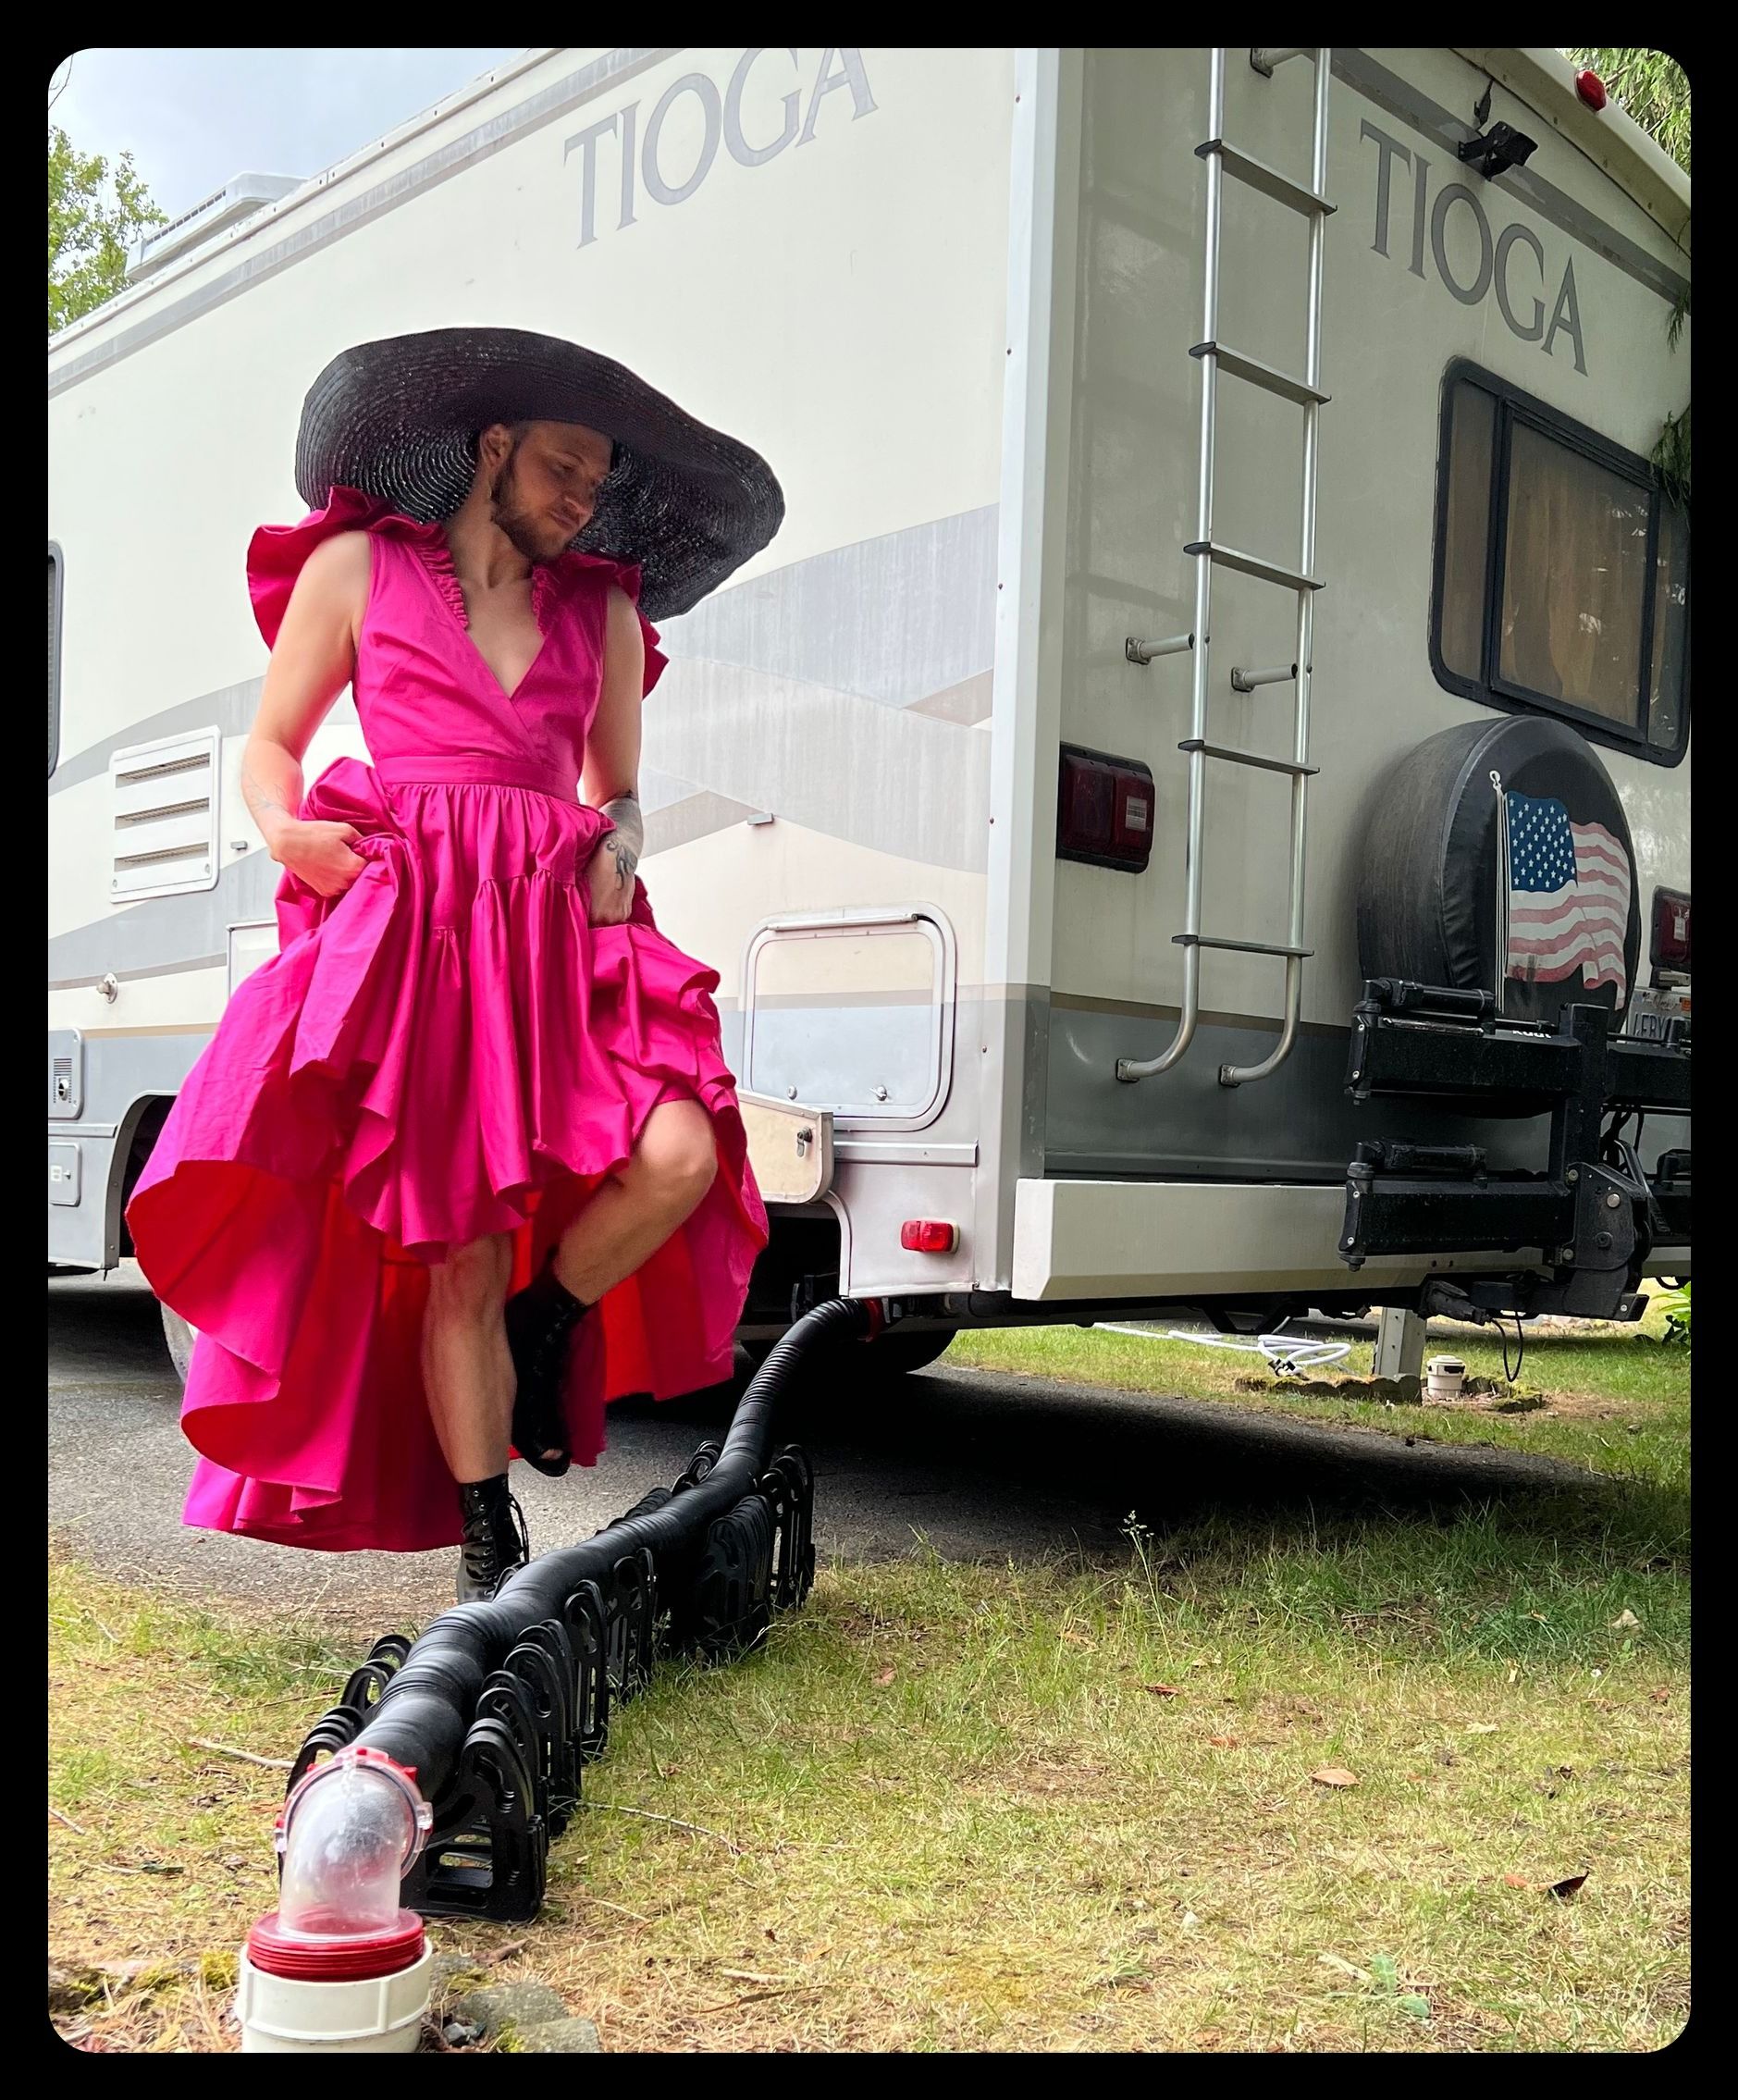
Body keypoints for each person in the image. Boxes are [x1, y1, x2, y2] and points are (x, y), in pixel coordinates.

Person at [127, 327, 783, 1600]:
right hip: (419, 935)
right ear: (493, 448)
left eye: (597, 481)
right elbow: (269, 743)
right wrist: (285, 828)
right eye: (563, 467)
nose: (581, 497)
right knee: (458, 1255)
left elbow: (623, 787)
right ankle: (488, 1545)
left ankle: (551, 1323)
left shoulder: (603, 606)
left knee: (682, 1153)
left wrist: (621, 845)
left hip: (561, 930)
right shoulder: (359, 570)